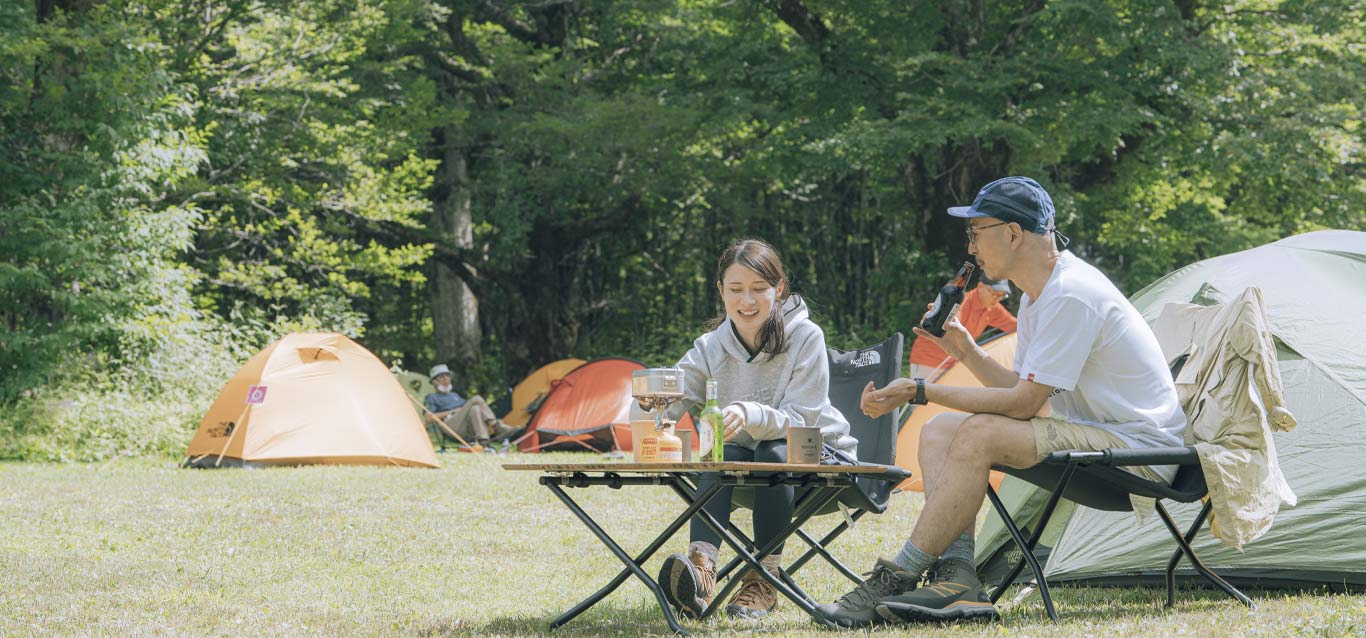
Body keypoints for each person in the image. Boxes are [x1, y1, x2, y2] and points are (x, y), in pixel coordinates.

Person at [817, 176, 1188, 627]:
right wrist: (967, 352)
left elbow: (1024, 405)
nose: (971, 248)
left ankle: (900, 574)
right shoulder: (1039, 297)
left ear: (1013, 233)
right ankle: (958, 579)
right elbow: (1019, 387)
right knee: (938, 430)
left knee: (978, 431)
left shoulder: (1073, 294)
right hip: (1104, 440)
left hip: (1138, 453)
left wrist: (921, 390)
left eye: (976, 233)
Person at [657, 238, 851, 621]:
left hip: (817, 460)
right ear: (720, 292)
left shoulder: (806, 337)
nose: (748, 301)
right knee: (721, 454)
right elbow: (670, 392)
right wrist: (649, 404)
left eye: (759, 289)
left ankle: (763, 576)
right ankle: (700, 571)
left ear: (779, 289)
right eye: (736, 290)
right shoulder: (711, 347)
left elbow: (804, 422)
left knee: (774, 451)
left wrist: (753, 413)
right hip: (742, 469)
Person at [907, 276, 1017, 380]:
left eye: (1001, 295)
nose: (996, 299)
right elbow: (949, 320)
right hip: (927, 360)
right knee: (920, 399)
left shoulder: (993, 308)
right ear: (980, 286)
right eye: (993, 293)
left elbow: (1016, 327)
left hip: (952, 365)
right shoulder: (963, 302)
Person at [423, 364, 518, 449]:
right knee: (476, 398)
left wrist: (460, 411)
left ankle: (483, 441)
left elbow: (468, 408)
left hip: (464, 427)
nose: (446, 379)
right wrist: (453, 411)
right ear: (434, 382)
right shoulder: (431, 397)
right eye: (441, 377)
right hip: (449, 426)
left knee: (475, 408)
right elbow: (428, 418)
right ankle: (497, 427)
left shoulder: (455, 395)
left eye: (447, 376)